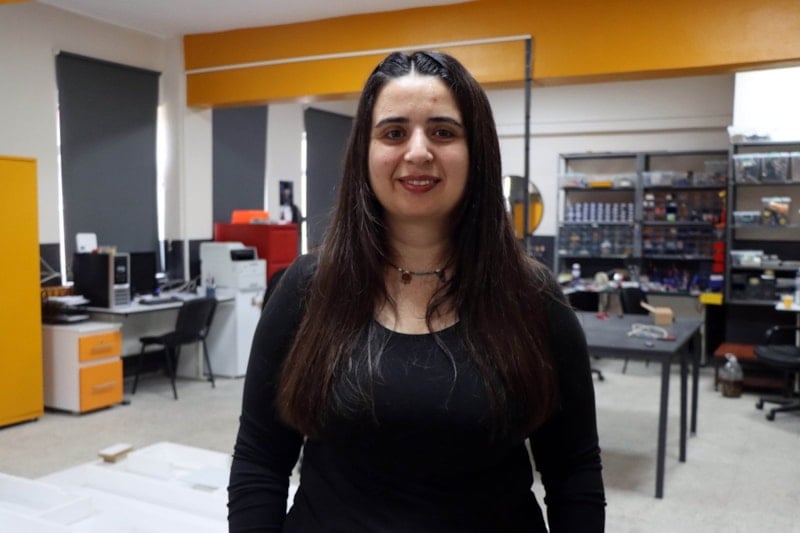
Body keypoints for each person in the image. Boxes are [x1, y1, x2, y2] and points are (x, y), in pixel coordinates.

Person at [228, 50, 605, 532]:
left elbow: (573, 472)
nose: (418, 152)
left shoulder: (531, 296)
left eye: (443, 132)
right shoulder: (307, 288)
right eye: (394, 133)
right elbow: (260, 460)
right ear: (365, 153)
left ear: (477, 151)